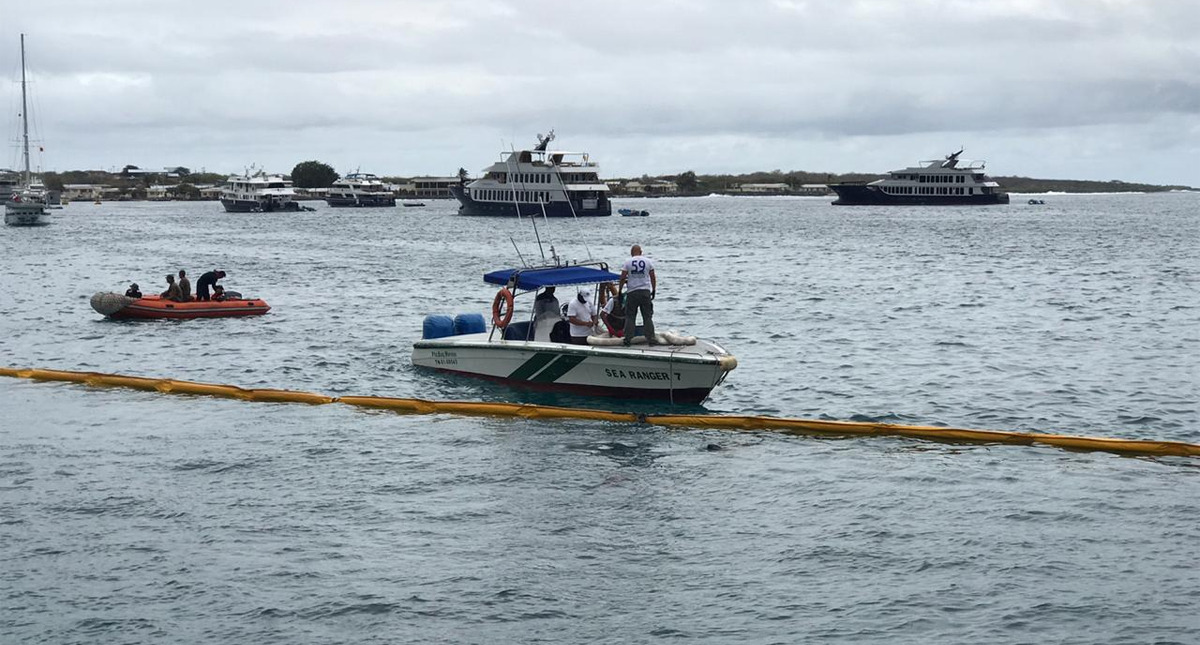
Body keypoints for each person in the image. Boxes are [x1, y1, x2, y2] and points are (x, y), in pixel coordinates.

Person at [618, 244, 656, 346]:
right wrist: (654, 289)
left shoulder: (628, 262)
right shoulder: (648, 261)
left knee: (630, 316)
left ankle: (628, 339)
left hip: (632, 292)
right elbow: (652, 277)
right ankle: (651, 338)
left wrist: (620, 291)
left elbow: (622, 278)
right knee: (647, 316)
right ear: (641, 252)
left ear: (631, 253)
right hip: (645, 291)